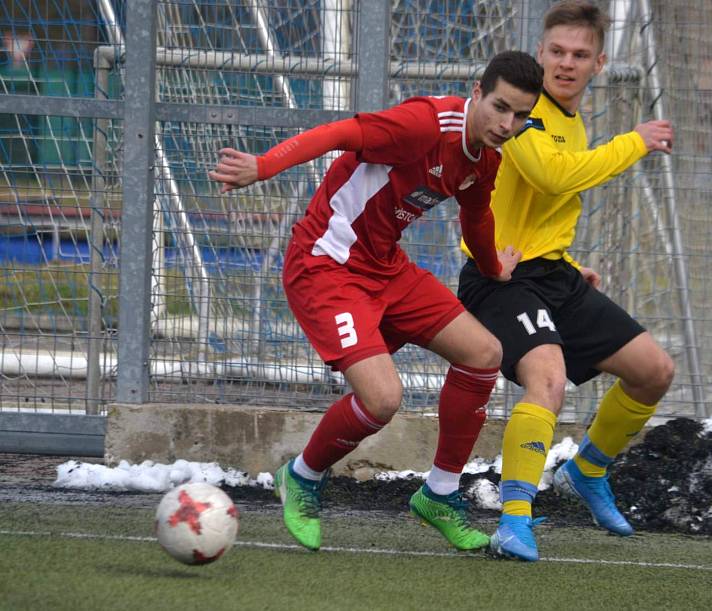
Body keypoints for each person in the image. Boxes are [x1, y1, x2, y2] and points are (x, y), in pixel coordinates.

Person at [210, 51, 543, 552]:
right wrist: (263, 166)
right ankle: (301, 476)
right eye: (500, 107)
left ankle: (439, 494)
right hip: (326, 267)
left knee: (484, 355)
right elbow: (339, 133)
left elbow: (476, 217)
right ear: (477, 93)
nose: (506, 123)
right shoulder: (423, 125)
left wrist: (495, 266)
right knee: (383, 399)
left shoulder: (486, 158)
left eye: (520, 115)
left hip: (385, 267)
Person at [457, 0, 675, 562]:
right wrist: (635, 141)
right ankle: (513, 521)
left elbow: (541, 210)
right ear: (540, 54)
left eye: (579, 54)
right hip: (497, 277)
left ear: (599, 63)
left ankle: (588, 470)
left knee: (653, 372)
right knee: (547, 384)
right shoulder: (522, 115)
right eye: (556, 51)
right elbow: (553, 179)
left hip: (551, 274)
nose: (566, 63)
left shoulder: (572, 122)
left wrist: (570, 266)